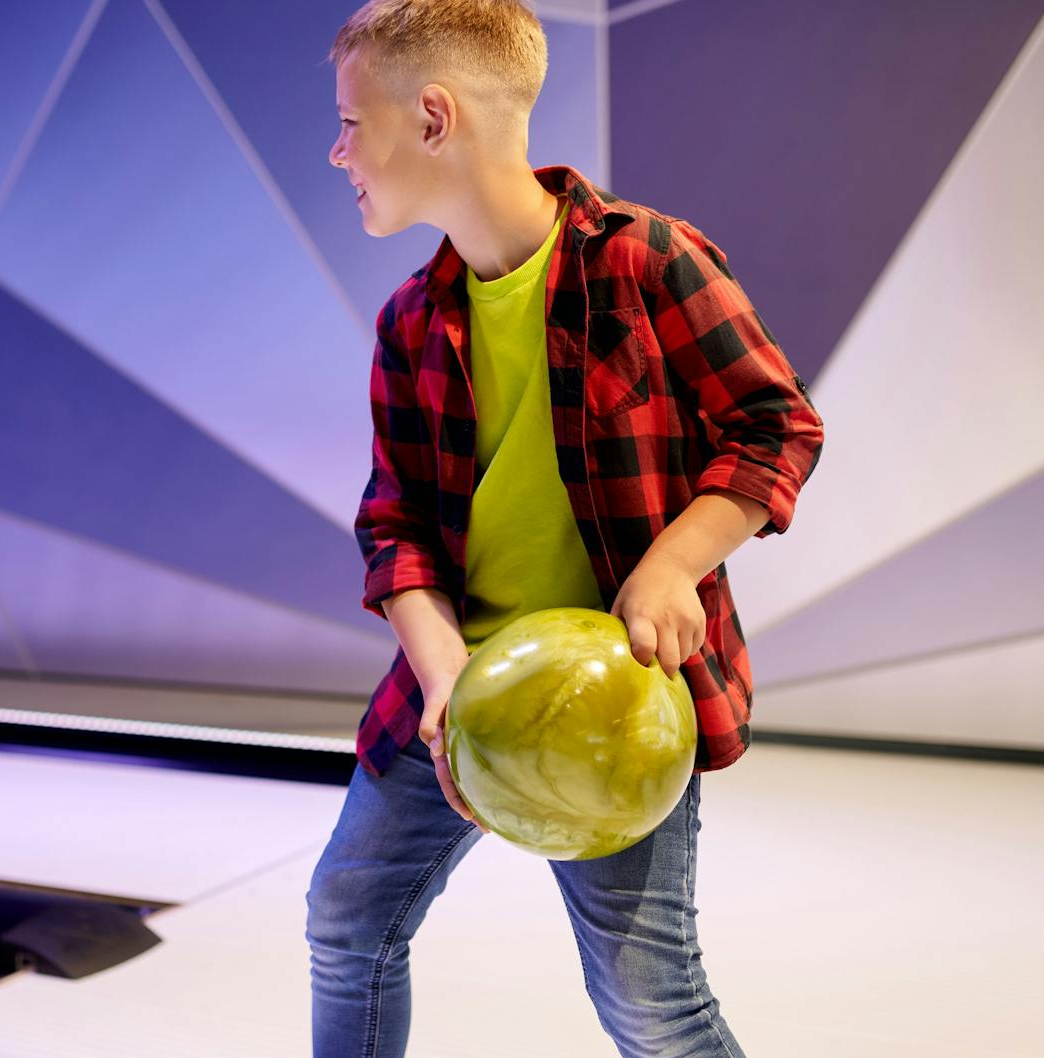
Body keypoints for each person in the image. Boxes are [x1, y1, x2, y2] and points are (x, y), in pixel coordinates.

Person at [305, 1, 826, 1055]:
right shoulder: (410, 318)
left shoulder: (645, 262)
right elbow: (392, 520)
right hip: (451, 683)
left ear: (434, 116)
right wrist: (446, 677)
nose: (337, 149)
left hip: (613, 699)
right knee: (346, 922)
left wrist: (672, 566)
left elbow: (774, 425)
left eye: (352, 123)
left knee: (649, 999)